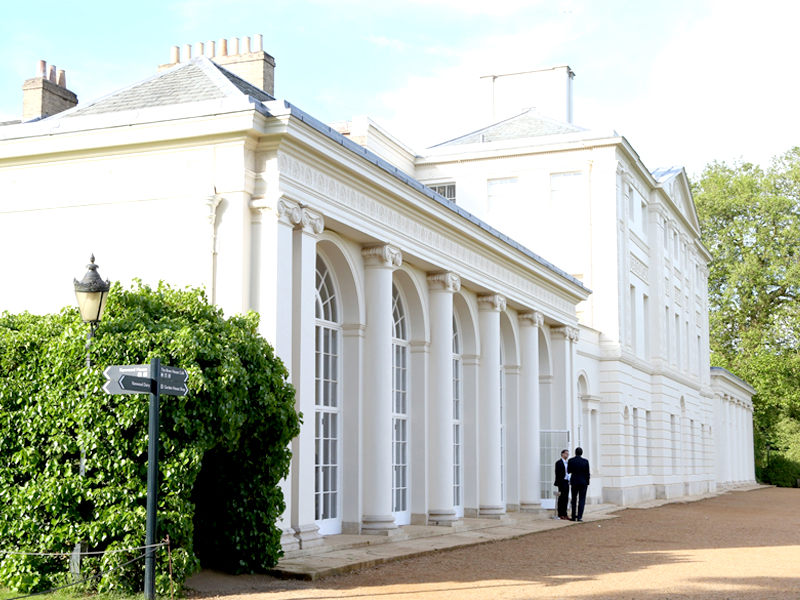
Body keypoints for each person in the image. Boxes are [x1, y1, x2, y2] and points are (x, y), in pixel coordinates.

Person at [567, 447, 590, 522]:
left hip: (574, 481)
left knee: (574, 499)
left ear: (575, 453)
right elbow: (587, 473)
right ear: (581, 453)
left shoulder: (571, 461)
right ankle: (579, 516)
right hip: (583, 482)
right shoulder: (585, 461)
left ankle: (573, 516)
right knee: (582, 499)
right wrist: (587, 482)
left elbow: (568, 471)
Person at [553, 449, 570, 520]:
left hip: (567, 481)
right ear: (562, 454)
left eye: (568, 454)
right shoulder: (559, 463)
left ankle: (565, 513)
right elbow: (558, 473)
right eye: (566, 453)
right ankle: (560, 513)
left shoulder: (567, 463)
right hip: (562, 482)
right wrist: (559, 482)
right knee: (561, 498)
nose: (567, 455)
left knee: (566, 498)